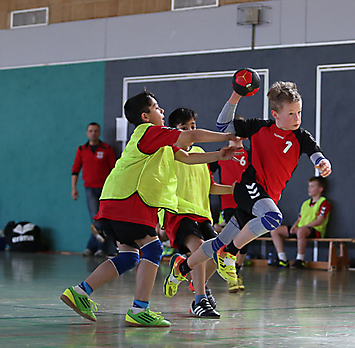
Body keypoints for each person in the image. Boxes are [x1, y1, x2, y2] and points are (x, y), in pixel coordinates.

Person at [60, 91, 237, 327]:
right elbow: (191, 136)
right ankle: (139, 309)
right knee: (153, 249)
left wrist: (219, 155)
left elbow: (186, 158)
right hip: (129, 200)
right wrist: (229, 135)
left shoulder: (160, 143)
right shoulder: (148, 132)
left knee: (129, 257)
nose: (162, 111)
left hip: (115, 201)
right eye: (156, 107)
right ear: (145, 116)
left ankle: (80, 292)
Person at [164, 81, 332, 296]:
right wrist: (236, 94)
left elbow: (316, 153)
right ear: (275, 114)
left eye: (299, 112)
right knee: (273, 218)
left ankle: (181, 268)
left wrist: (322, 163)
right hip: (250, 186)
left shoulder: (301, 137)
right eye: (291, 114)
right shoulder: (259, 127)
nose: (297, 118)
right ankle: (229, 253)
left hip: (265, 197)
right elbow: (223, 124)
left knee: (218, 241)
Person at [161, 107, 234, 318]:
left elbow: (210, 187)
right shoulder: (168, 152)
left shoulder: (201, 154)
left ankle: (187, 272)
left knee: (217, 255)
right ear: (173, 130)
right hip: (178, 212)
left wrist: (234, 190)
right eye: (184, 128)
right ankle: (200, 299)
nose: (190, 132)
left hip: (201, 213)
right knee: (199, 248)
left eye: (193, 127)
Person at [71, 122, 117, 257]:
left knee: (102, 219)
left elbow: (114, 170)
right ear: (87, 133)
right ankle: (98, 248)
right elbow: (75, 170)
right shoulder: (82, 150)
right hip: (90, 188)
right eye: (91, 131)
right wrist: (74, 188)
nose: (93, 133)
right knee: (95, 219)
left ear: (99, 132)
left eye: (96, 131)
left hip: (105, 189)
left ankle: (92, 247)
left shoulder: (107, 149)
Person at [269, 176, 331, 268]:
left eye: (312, 186)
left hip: (315, 230)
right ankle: (283, 259)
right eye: (309, 186)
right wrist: (294, 227)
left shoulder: (323, 202)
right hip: (300, 229)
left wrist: (302, 227)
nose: (309, 189)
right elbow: (299, 219)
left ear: (320, 189)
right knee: (275, 230)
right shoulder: (305, 203)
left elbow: (319, 220)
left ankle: (300, 260)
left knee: (301, 231)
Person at [214, 133, 249, 292]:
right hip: (228, 202)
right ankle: (231, 276)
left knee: (246, 239)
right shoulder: (220, 153)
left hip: (248, 202)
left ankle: (236, 271)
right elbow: (206, 173)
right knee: (234, 236)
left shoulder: (250, 153)